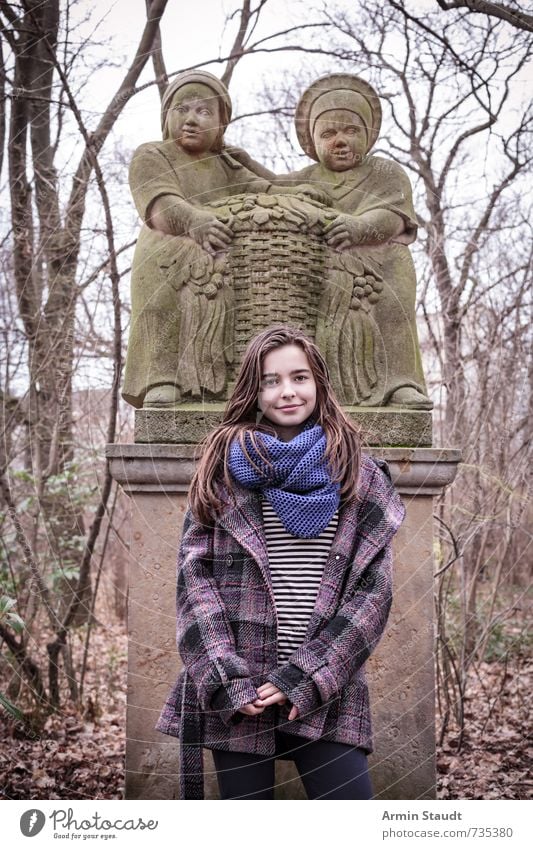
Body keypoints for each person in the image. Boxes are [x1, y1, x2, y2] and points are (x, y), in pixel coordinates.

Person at [156, 325, 406, 799]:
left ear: (319, 385)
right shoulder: (222, 471)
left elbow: (374, 593)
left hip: (325, 684)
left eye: (300, 377)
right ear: (254, 389)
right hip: (241, 690)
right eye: (271, 380)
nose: (287, 391)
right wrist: (225, 675)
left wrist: (307, 675)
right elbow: (195, 583)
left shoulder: (360, 474)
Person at [122, 71, 327, 409]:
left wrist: (297, 194)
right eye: (181, 109)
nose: (191, 119)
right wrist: (192, 220)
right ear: (166, 115)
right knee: (162, 310)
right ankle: (161, 379)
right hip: (165, 253)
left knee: (221, 320)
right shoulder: (152, 155)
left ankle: (218, 386)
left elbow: (265, 189)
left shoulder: (225, 164)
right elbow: (158, 203)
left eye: (204, 112)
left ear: (221, 124)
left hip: (216, 260)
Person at [285, 74, 433, 408]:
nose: (340, 140)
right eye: (329, 132)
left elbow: (393, 216)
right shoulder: (304, 179)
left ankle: (400, 384)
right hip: (324, 271)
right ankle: (313, 392)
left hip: (380, 267)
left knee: (394, 301)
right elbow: (263, 187)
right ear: (313, 141)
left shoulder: (386, 172)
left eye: (350, 130)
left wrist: (358, 226)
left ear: (366, 135)